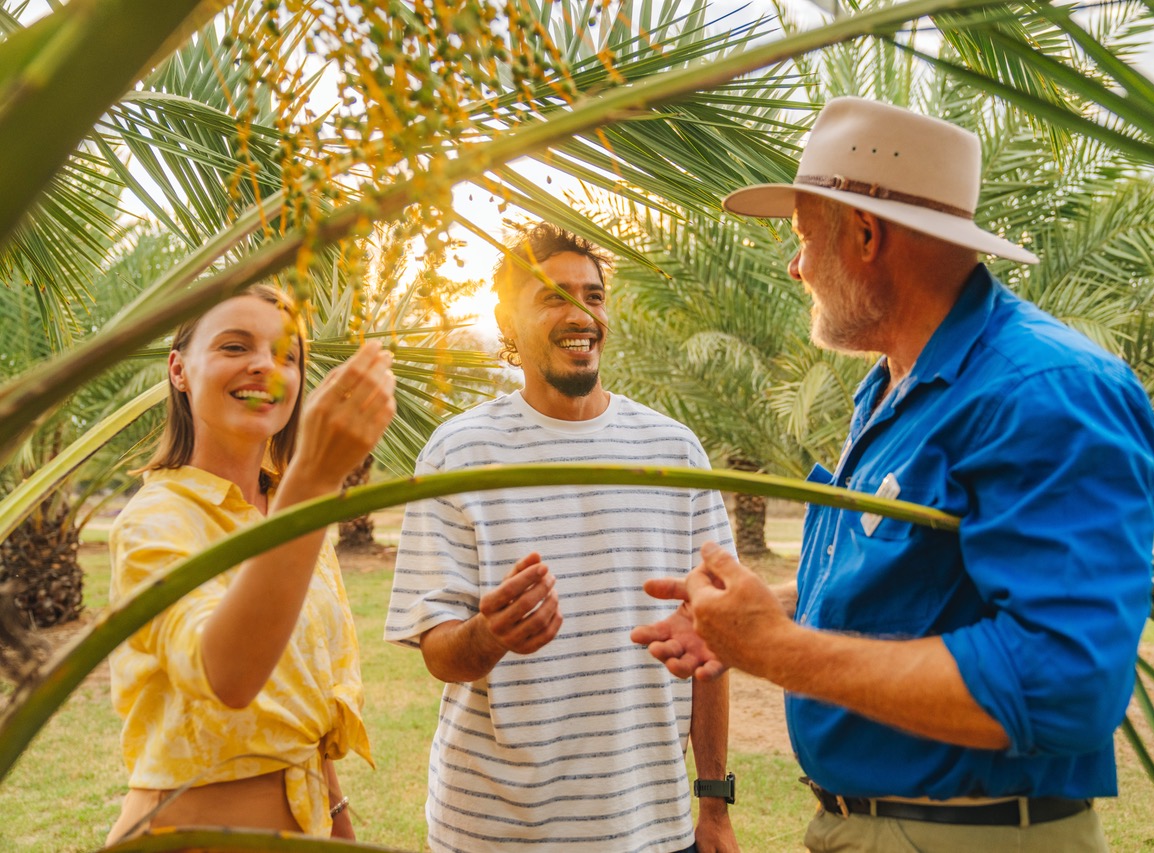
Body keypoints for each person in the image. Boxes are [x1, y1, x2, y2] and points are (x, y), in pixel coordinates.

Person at [633, 97, 1154, 852]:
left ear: (864, 233)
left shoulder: (1042, 391)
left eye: (802, 237)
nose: (795, 266)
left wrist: (777, 649)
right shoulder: (903, 386)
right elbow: (926, 586)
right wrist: (759, 616)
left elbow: (1061, 684)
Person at [384, 223, 739, 853]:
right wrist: (488, 636)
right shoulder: (459, 452)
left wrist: (713, 803)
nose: (580, 312)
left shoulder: (674, 451)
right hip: (493, 833)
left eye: (594, 296)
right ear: (506, 319)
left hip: (650, 829)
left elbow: (713, 635)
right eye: (553, 296)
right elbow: (438, 650)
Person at [106, 284, 396, 846]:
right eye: (235, 347)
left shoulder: (288, 507)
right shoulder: (154, 521)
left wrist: (340, 822)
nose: (266, 366)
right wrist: (314, 480)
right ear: (179, 370)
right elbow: (228, 678)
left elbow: (304, 707)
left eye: (288, 355)